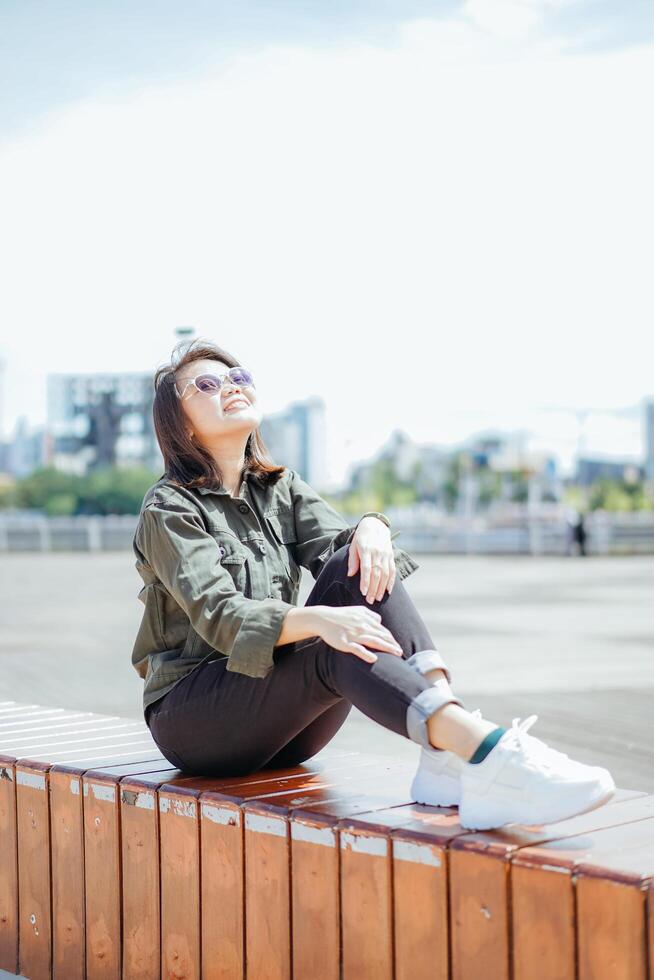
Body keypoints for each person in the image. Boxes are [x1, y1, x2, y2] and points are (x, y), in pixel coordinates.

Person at [131, 338, 615, 831]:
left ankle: (446, 756)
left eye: (239, 378)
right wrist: (323, 620)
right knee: (338, 643)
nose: (231, 388)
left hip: (283, 721)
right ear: (180, 423)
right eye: (207, 385)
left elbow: (343, 556)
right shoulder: (170, 508)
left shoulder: (280, 488)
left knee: (354, 562)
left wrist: (373, 526)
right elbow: (223, 618)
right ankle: (486, 752)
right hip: (198, 721)